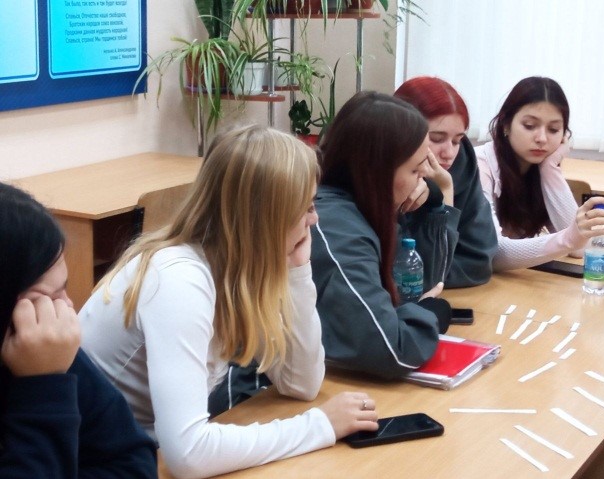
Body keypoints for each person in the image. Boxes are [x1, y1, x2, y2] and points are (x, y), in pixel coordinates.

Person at [79, 124, 379, 479]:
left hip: (143, 451)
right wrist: (319, 426)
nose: (315, 219)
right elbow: (188, 455)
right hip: (98, 462)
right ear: (265, 221)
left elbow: (301, 383)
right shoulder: (179, 282)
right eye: (306, 207)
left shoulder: (236, 268)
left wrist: (298, 271)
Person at [0, 183, 157, 479]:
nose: (67, 309)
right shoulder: (38, 351)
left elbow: (136, 464)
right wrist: (42, 385)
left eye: (63, 289)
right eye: (44, 298)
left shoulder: (43, 342)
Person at [311, 91, 452, 380]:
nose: (425, 176)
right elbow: (391, 349)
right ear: (377, 171)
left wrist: (434, 205)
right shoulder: (338, 229)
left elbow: (422, 284)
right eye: (416, 168)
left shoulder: (364, 207)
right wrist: (431, 315)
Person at [474, 76, 604, 271]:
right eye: (529, 126)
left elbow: (579, 249)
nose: (541, 138)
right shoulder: (479, 164)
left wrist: (550, 168)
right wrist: (570, 238)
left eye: (553, 129)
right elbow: (494, 253)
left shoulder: (540, 166)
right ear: (506, 124)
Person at [394, 76, 497, 287]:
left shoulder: (462, 162)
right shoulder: (385, 173)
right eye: (437, 138)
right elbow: (404, 274)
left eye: (457, 140)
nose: (449, 153)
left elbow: (480, 259)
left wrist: (442, 192)